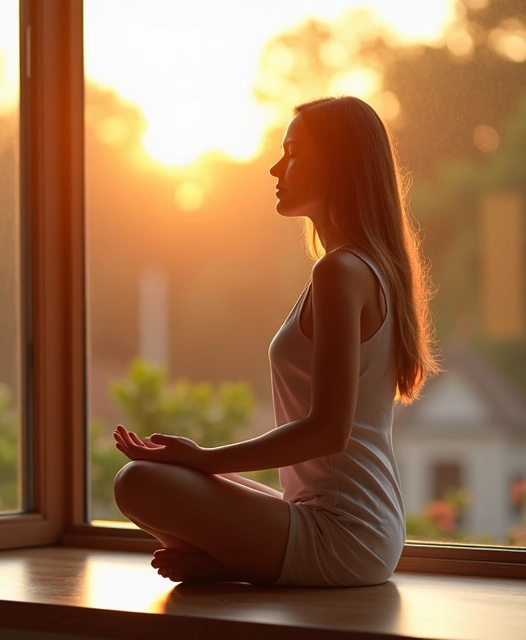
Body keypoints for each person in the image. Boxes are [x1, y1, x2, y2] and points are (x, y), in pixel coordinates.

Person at [112, 96, 439, 587]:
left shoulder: (340, 271)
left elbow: (327, 432)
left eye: (293, 153)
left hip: (346, 533)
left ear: (337, 165)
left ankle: (237, 565)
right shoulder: (366, 268)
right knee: (161, 479)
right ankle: (236, 564)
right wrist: (201, 467)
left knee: (138, 482)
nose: (275, 168)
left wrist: (204, 458)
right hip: (357, 525)